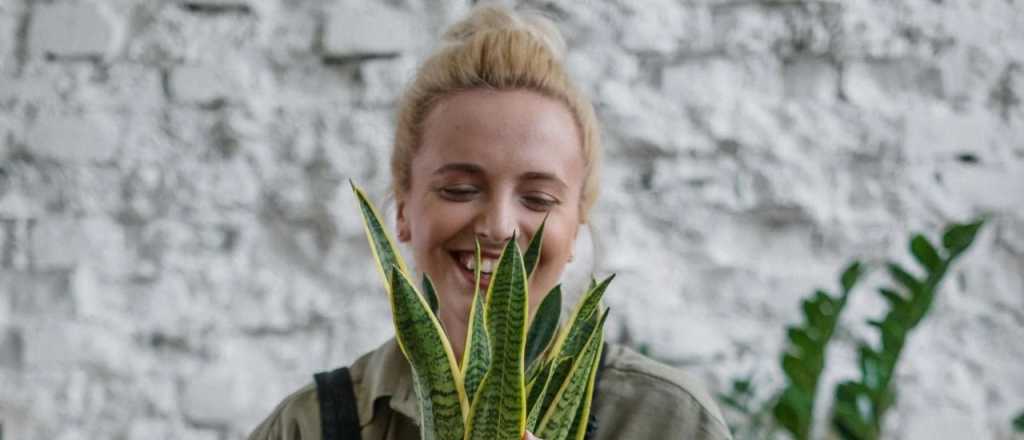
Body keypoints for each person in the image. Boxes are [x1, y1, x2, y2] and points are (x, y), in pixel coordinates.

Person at [249, 3, 732, 440]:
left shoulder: (671, 421)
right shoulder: (306, 427)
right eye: (460, 190)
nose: (499, 227)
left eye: (539, 198)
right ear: (402, 210)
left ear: (576, 226)